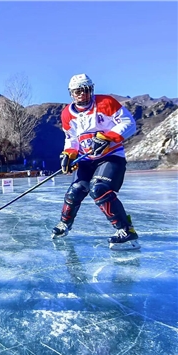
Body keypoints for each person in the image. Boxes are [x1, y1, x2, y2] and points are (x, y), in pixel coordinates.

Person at [51, 73, 139, 250]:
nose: (82, 94)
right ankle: (64, 224)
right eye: (77, 91)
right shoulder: (67, 114)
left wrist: (108, 137)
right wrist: (69, 154)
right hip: (86, 159)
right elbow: (71, 138)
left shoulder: (106, 102)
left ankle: (126, 230)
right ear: (71, 93)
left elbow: (129, 123)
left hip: (111, 156)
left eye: (85, 90)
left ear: (91, 90)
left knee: (99, 188)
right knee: (75, 191)